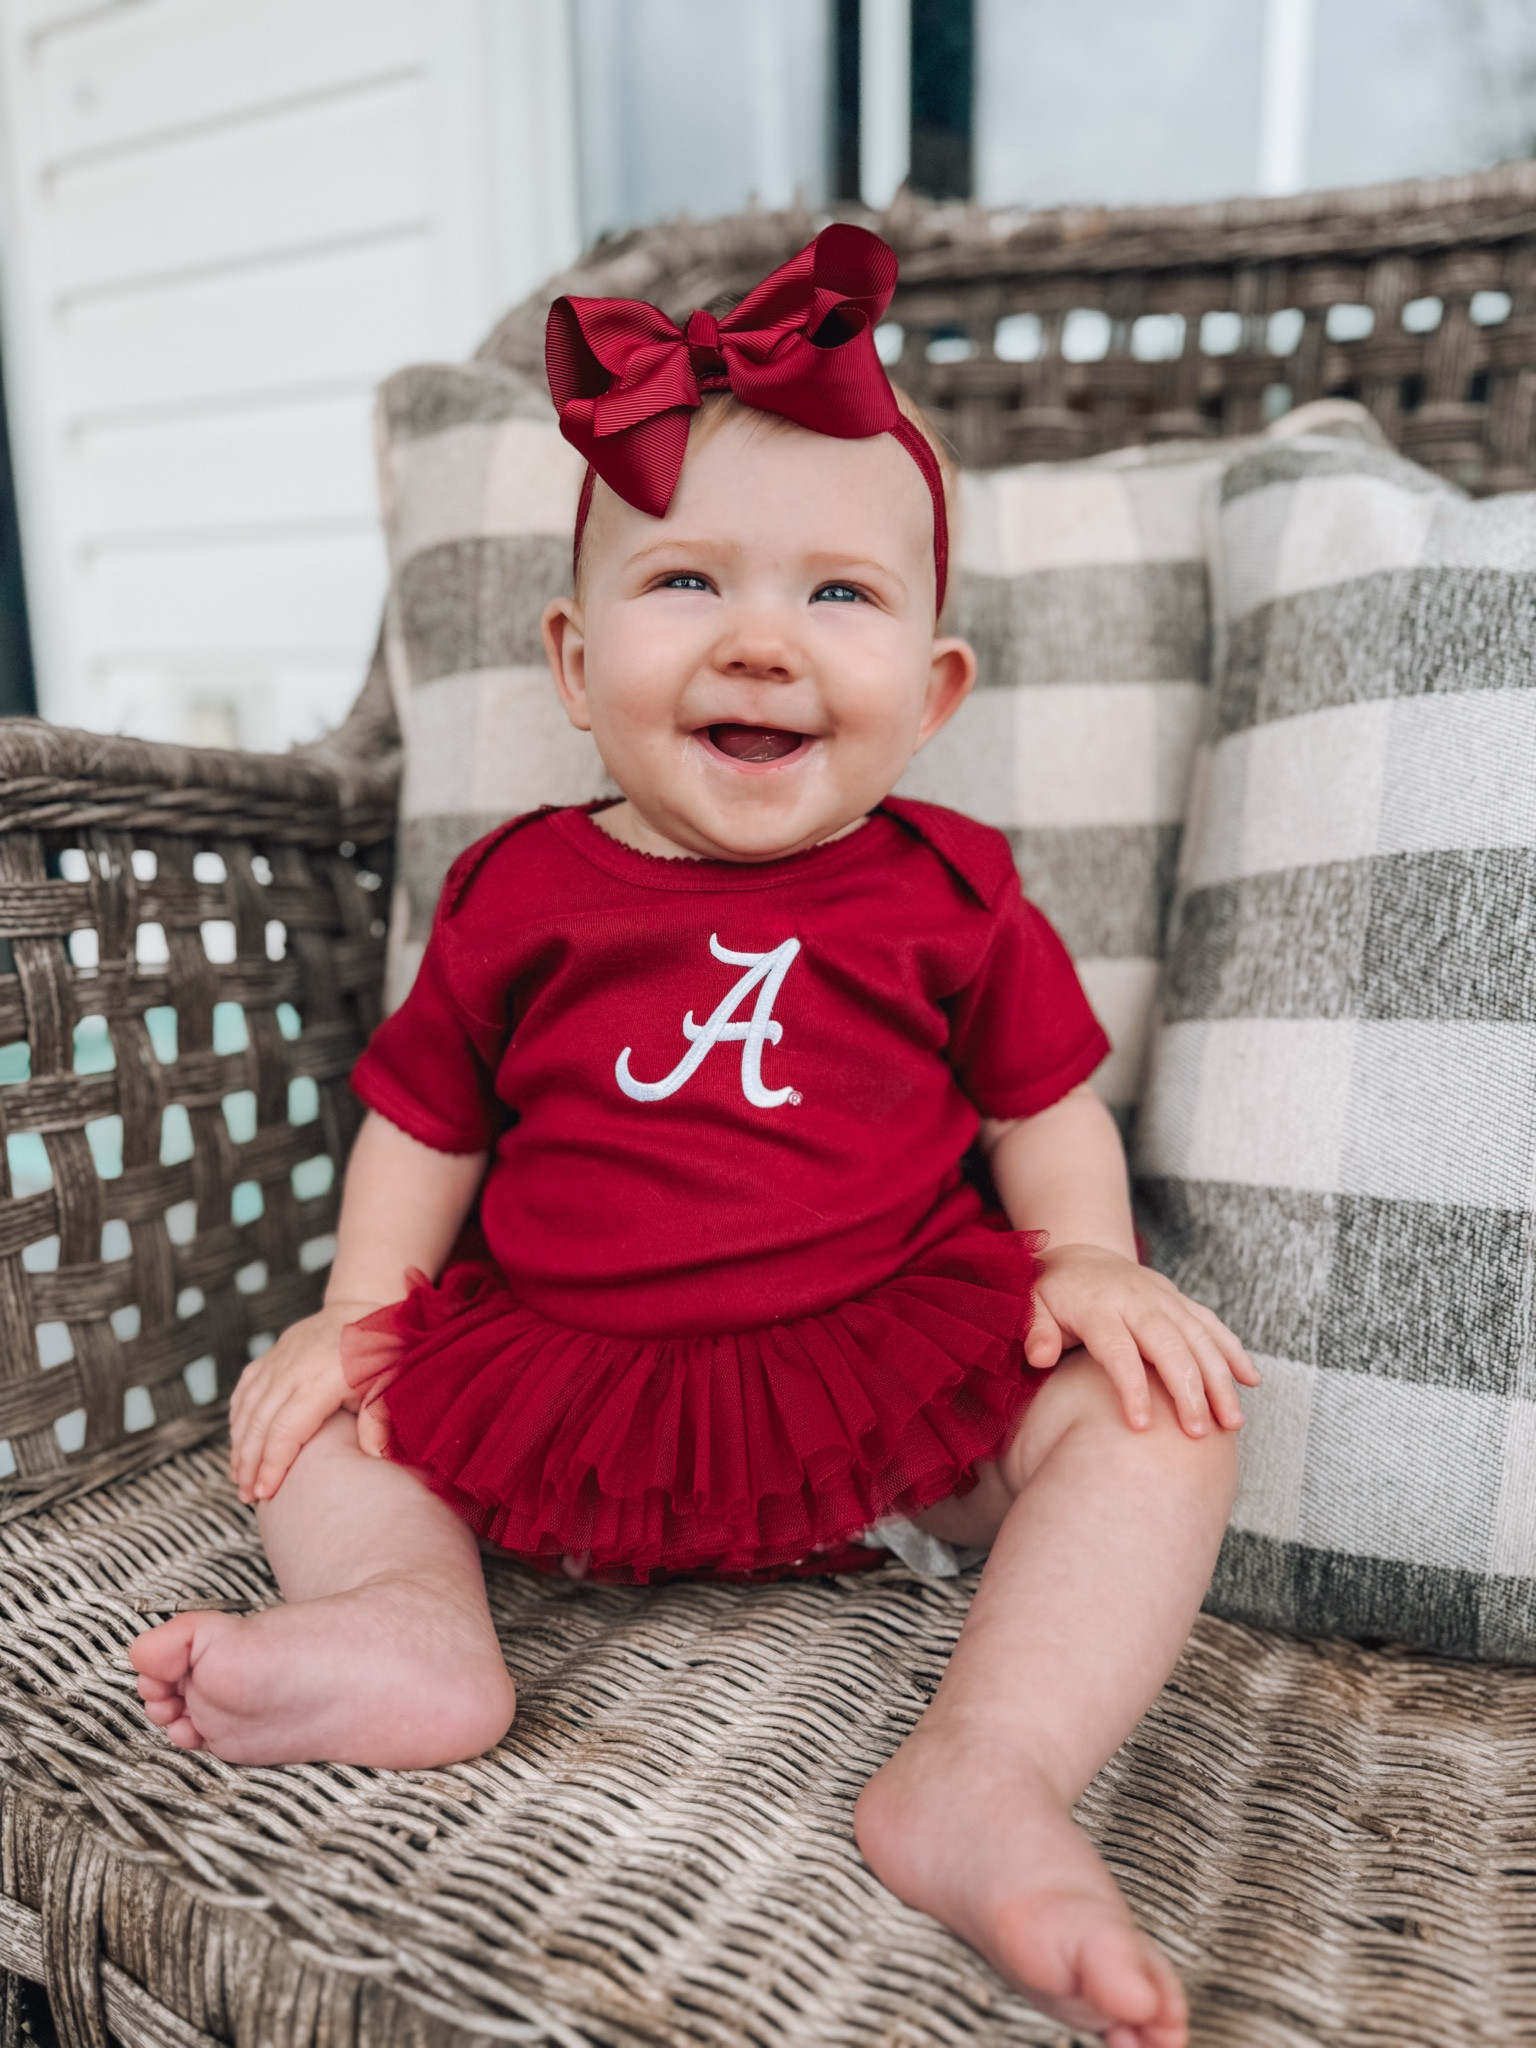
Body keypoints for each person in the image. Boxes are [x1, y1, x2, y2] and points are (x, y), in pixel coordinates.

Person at [130, 226, 1255, 2048]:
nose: (759, 639)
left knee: (1161, 1418)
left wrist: (1087, 1265)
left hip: (881, 1400)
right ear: (577, 665)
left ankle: (987, 1769)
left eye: (839, 595)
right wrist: (357, 1311)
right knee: (314, 1412)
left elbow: (1042, 1102)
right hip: (556, 1389)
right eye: (686, 581)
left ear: (934, 693)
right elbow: (424, 1120)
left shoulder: (951, 892)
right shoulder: (518, 892)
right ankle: (411, 1623)